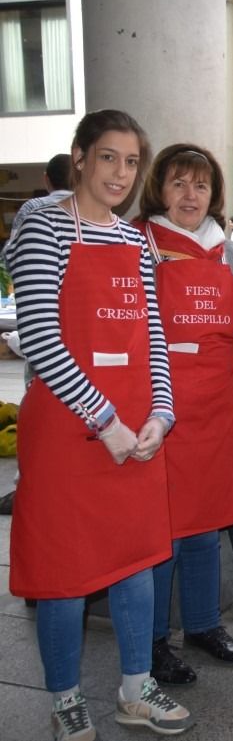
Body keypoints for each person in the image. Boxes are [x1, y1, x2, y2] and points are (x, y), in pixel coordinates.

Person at [7, 109, 193, 739]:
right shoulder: (44, 233)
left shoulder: (136, 240)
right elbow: (38, 335)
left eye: (132, 161)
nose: (121, 172)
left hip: (136, 429)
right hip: (69, 430)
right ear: (80, 157)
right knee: (64, 572)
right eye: (108, 157)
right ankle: (65, 698)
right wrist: (106, 420)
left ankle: (136, 691)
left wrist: (161, 413)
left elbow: (153, 337)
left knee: (136, 562)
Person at [135, 144, 233, 686]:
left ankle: (204, 625)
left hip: (221, 404)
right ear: (159, 190)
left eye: (202, 186)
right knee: (165, 529)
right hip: (164, 405)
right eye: (179, 184)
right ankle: (154, 641)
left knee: (207, 524)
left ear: (215, 195)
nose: (191, 196)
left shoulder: (230, 252)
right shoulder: (140, 244)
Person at [0, 152, 73, 517]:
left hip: (46, 334)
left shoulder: (33, 210)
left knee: (42, 401)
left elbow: (13, 259)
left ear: (47, 178)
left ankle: (33, 490)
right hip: (82, 338)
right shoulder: (92, 215)